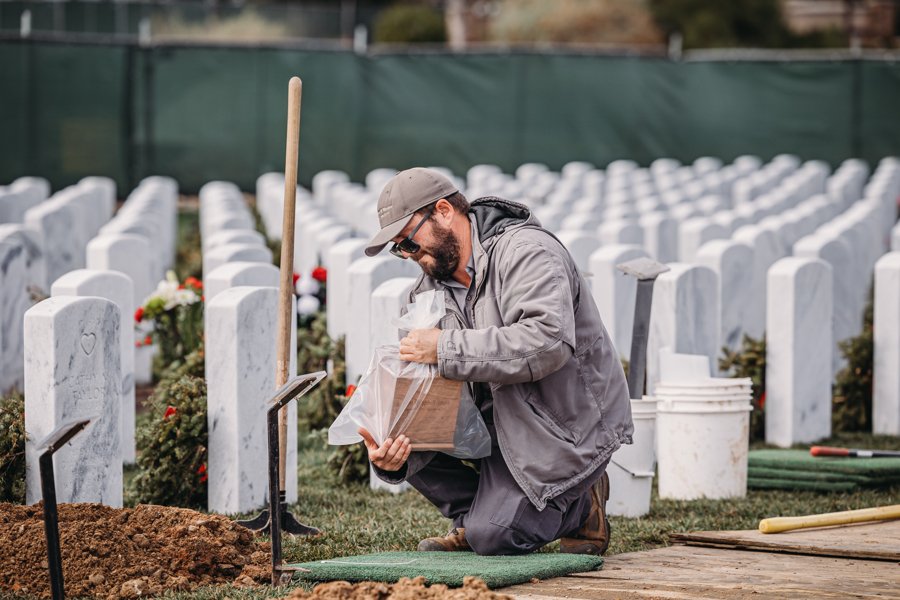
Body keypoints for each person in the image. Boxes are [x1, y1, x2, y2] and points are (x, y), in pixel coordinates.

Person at [358, 167, 633, 556]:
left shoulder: (528, 251)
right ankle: (479, 517)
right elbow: (423, 388)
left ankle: (582, 504)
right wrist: (390, 453)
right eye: (399, 248)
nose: (408, 255)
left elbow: (548, 341)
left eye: (409, 242)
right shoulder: (426, 291)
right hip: (499, 427)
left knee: (495, 537)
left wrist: (444, 347)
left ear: (443, 211)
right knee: (397, 434)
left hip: (561, 426)